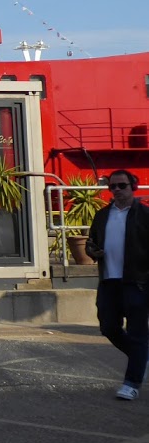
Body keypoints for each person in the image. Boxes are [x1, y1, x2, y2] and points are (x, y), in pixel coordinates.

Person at [85, 169, 149, 400]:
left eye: (122, 186)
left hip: (136, 282)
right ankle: (141, 357)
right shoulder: (102, 215)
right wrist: (92, 251)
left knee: (138, 332)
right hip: (109, 281)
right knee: (108, 328)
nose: (117, 191)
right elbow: (91, 243)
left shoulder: (144, 215)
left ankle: (131, 383)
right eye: (112, 187)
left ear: (134, 187)